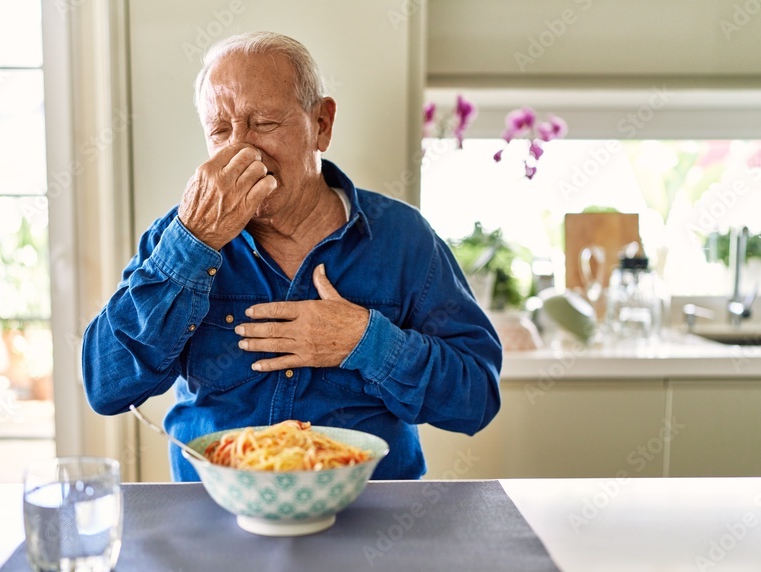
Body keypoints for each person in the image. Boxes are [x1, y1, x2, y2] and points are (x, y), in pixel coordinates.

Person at [82, 31, 502, 481]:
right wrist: (193, 244)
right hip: (218, 516)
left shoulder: (403, 238)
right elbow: (106, 386)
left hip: (370, 522)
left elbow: (475, 399)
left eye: (263, 123)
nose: (241, 148)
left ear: (322, 124)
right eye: (221, 130)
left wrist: (367, 342)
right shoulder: (179, 234)